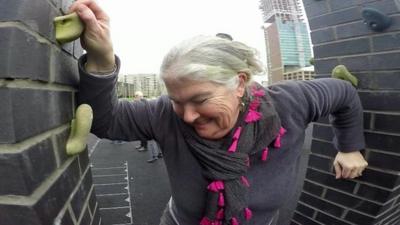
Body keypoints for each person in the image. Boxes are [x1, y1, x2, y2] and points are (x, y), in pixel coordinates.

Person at [70, 1, 368, 224]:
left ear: (239, 83)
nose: (187, 116)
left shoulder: (290, 102)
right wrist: (101, 60)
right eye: (176, 100)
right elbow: (106, 122)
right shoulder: (164, 114)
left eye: (200, 99)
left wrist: (350, 146)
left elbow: (344, 94)